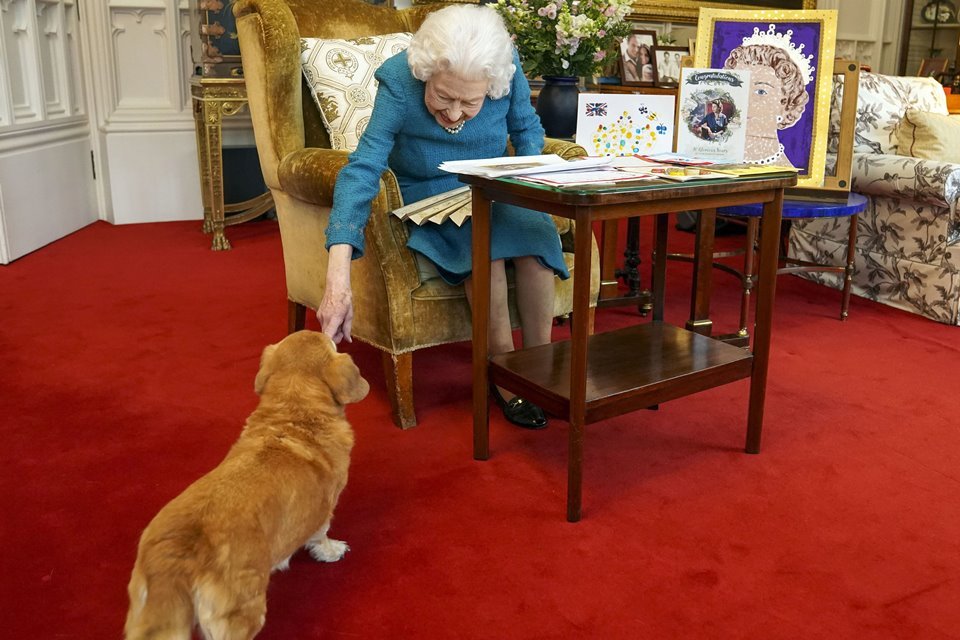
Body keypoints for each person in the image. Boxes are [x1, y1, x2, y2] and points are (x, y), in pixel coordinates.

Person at [320, 4, 568, 430]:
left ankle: (538, 370)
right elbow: (363, 167)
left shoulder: (504, 67)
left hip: (494, 184)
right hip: (428, 190)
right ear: (425, 73)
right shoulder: (399, 79)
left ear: (490, 84)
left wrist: (533, 190)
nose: (454, 114)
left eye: (469, 102)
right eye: (442, 97)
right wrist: (338, 272)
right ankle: (504, 376)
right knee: (484, 252)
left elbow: (527, 133)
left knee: (536, 248)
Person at [723, 40, 809, 167]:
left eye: (760, 91)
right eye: (737, 89)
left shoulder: (783, 171)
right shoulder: (711, 162)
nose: (744, 101)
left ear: (785, 104)